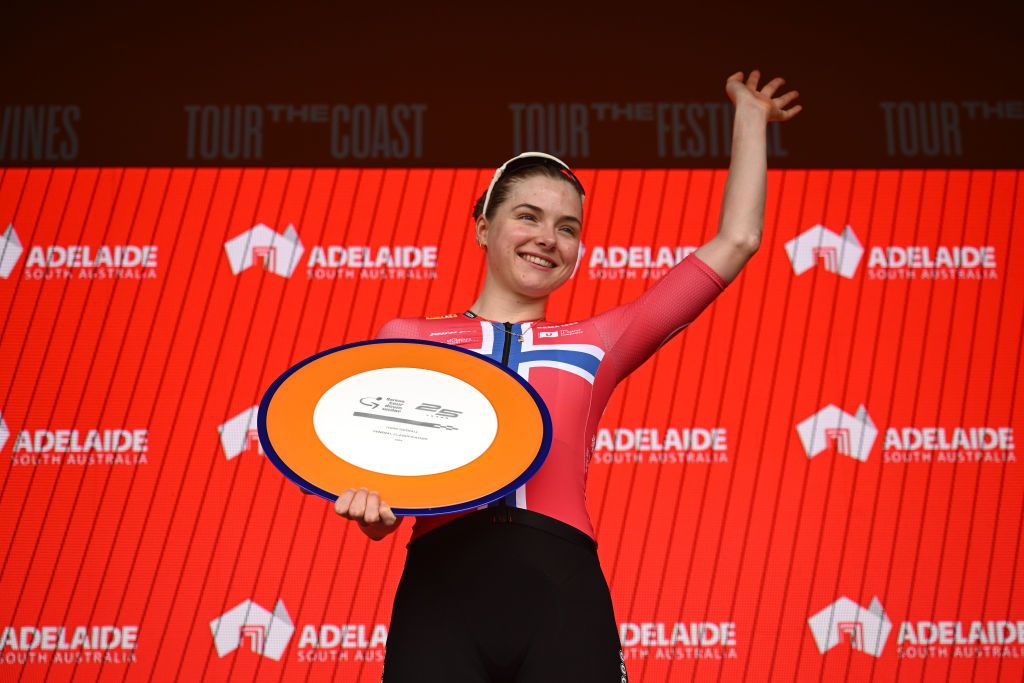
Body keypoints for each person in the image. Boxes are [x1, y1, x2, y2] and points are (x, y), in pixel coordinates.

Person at [333, 71, 801, 682]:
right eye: (528, 216)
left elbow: (738, 240)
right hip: (440, 593)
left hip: (562, 594)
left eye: (568, 227)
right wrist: (377, 511)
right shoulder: (408, 338)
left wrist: (748, 115)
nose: (547, 239)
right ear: (483, 226)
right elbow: (384, 492)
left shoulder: (597, 343)